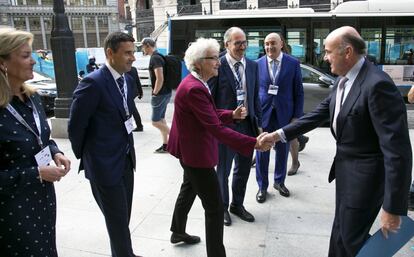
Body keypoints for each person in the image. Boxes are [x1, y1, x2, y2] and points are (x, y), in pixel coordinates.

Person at [269, 26, 412, 256]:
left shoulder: (377, 85)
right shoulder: (342, 81)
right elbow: (317, 115)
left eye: (327, 51)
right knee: (340, 234)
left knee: (351, 239)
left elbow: (398, 151)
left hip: (366, 181)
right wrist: (278, 135)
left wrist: (393, 207)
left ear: (347, 52)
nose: (324, 58)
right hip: (345, 174)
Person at [168, 37, 273, 257]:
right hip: (196, 154)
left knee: (188, 190)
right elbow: (215, 128)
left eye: (217, 57)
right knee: (215, 208)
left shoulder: (195, 83)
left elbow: (207, 114)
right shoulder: (194, 87)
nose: (218, 62)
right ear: (198, 63)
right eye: (214, 58)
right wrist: (253, 142)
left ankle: (177, 231)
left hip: (188, 150)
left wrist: (229, 114)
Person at [68, 32, 142, 257]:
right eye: (127, 53)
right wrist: (89, 158)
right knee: (117, 221)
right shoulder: (93, 83)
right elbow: (76, 126)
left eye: (134, 52)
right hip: (103, 165)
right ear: (110, 53)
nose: (133, 58)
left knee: (123, 217)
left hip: (126, 161)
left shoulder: (127, 79)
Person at [0, 28, 71, 257]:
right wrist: (36, 173)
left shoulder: (32, 97)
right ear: (3, 63)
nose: (33, 61)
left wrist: (55, 151)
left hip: (43, 199)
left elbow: (41, 138)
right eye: (25, 56)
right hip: (12, 212)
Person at [209, 27, 262, 226]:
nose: (242, 47)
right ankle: (222, 207)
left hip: (248, 126)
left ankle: (237, 205)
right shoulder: (217, 65)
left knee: (244, 168)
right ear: (227, 45)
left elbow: (255, 97)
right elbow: (211, 101)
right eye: (237, 43)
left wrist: (260, 125)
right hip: (226, 128)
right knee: (223, 170)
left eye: (244, 42)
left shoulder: (253, 66)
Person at [255, 32, 304, 203]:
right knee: (262, 150)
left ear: (281, 44)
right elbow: (254, 92)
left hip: (285, 114)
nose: (269, 47)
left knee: (283, 150)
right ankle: (262, 186)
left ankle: (279, 182)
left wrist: (297, 116)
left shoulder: (293, 63)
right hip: (264, 114)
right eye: (266, 43)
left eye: (273, 43)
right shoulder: (257, 64)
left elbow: (298, 92)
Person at [141, 37, 171, 153]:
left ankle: (177, 137)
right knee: (162, 119)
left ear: (148, 45)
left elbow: (160, 78)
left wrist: (154, 93)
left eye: (143, 46)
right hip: (165, 92)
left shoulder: (155, 58)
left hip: (160, 94)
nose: (142, 49)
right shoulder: (159, 56)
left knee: (155, 121)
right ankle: (166, 145)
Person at [127, 66, 144, 132]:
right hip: (133, 92)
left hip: (128, 92)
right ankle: (139, 126)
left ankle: (139, 126)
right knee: (131, 108)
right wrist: (140, 91)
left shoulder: (124, 68)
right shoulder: (133, 68)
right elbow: (137, 80)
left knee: (132, 109)